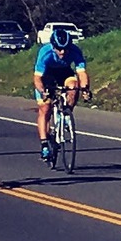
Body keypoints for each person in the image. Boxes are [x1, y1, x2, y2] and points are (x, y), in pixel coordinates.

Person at [32, 24, 88, 163]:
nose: (62, 52)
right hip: (47, 74)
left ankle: (67, 113)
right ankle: (44, 144)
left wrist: (85, 89)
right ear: (53, 46)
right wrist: (43, 91)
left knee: (74, 87)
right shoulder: (45, 53)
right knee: (45, 109)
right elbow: (37, 78)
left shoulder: (75, 51)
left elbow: (82, 73)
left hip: (64, 72)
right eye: (59, 49)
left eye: (65, 49)